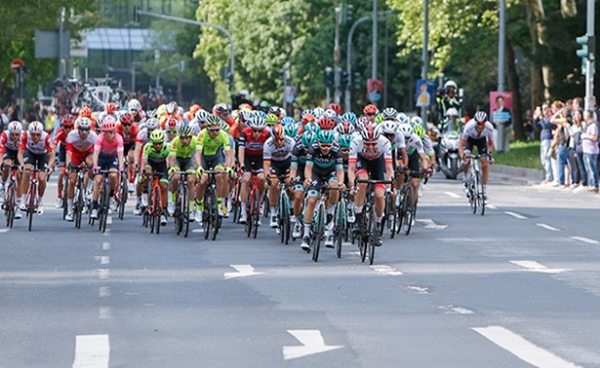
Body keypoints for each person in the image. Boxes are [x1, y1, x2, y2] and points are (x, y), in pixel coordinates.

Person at [347, 125, 394, 247]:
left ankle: (377, 227)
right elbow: (351, 169)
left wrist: (389, 188)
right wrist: (353, 186)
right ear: (362, 140)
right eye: (367, 144)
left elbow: (389, 169)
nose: (371, 147)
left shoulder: (385, 143)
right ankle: (357, 218)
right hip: (363, 161)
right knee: (362, 182)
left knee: (379, 196)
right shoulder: (356, 142)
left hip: (378, 163)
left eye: (374, 144)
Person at [196, 116, 234, 220]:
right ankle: (199, 207)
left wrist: (229, 166)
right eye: (213, 130)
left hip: (216, 158)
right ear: (207, 129)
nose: (215, 133)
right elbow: (198, 153)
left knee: (220, 176)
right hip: (203, 158)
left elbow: (228, 153)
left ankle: (219, 204)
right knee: (203, 181)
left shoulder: (223, 135)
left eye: (217, 130)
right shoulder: (201, 135)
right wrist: (199, 167)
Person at [18, 121, 56, 216]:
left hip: (43, 155)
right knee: (26, 172)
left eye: (38, 135)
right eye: (33, 134)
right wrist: (22, 164)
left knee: (42, 178)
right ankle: (23, 199)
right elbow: (20, 152)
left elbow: (52, 155)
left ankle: (40, 201)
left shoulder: (46, 138)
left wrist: (49, 167)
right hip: (30, 152)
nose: (35, 137)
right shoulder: (25, 135)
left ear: (41, 133)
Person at [90, 117, 125, 220]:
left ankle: (111, 196)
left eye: (110, 132)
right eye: (106, 132)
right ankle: (95, 207)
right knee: (98, 180)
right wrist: (95, 165)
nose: (108, 135)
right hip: (101, 158)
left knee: (113, 175)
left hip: (112, 158)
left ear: (114, 131)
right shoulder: (100, 138)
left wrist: (121, 167)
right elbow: (95, 153)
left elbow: (120, 155)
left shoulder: (118, 138)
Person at [64, 117, 97, 221]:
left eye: (86, 129)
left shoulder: (93, 137)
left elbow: (96, 154)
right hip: (75, 154)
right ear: (78, 129)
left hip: (88, 153)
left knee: (91, 164)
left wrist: (95, 166)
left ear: (89, 130)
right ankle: (69, 210)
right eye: (81, 129)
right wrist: (69, 166)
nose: (84, 132)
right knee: (72, 180)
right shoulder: (71, 135)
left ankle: (89, 189)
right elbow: (68, 153)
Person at [263, 124, 295, 228]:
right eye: (277, 140)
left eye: (282, 139)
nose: (280, 142)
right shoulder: (268, 144)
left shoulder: (291, 142)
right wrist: (267, 178)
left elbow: (295, 164)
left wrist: (293, 178)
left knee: (290, 182)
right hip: (274, 164)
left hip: (287, 163)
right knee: (273, 183)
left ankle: (291, 206)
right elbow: (266, 164)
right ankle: (273, 212)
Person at [458, 111, 494, 202]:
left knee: (485, 164)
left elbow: (490, 144)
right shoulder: (469, 127)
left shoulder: (489, 128)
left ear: (485, 123)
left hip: (481, 141)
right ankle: (465, 179)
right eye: (478, 123)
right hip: (469, 141)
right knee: (467, 159)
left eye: (482, 124)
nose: (480, 126)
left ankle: (484, 192)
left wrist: (489, 155)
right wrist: (463, 156)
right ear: (475, 122)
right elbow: (461, 145)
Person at [140, 130, 170, 226]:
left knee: (164, 186)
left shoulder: (167, 147)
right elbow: (144, 162)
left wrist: (169, 170)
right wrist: (142, 173)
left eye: (159, 143)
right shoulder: (147, 147)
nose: (157, 146)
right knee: (147, 172)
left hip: (162, 165)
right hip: (151, 164)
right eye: (155, 144)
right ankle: (146, 191)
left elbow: (169, 162)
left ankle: (163, 211)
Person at [0, 121, 24, 218]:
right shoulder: (4, 135)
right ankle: (2, 185)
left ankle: (18, 206)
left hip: (19, 152)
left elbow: (24, 153)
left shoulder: (24, 137)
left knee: (19, 176)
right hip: (8, 150)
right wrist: (1, 164)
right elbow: (1, 153)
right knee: (7, 164)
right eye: (12, 134)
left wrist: (22, 165)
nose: (14, 137)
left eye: (17, 134)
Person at [534, 102, 556, 184]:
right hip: (543, 139)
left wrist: (540, 117)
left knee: (547, 159)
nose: (544, 111)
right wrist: (536, 118)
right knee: (543, 159)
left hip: (548, 138)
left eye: (546, 108)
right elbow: (537, 125)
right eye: (543, 109)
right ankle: (549, 175)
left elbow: (546, 126)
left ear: (550, 108)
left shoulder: (551, 117)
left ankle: (549, 177)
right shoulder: (544, 118)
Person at [581, 110, 599, 193]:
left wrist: (586, 136)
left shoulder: (593, 125)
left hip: (592, 151)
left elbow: (595, 138)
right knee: (588, 168)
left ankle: (595, 185)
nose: (583, 117)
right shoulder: (587, 125)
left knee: (592, 168)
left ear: (589, 116)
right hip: (586, 150)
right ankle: (591, 184)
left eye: (585, 115)